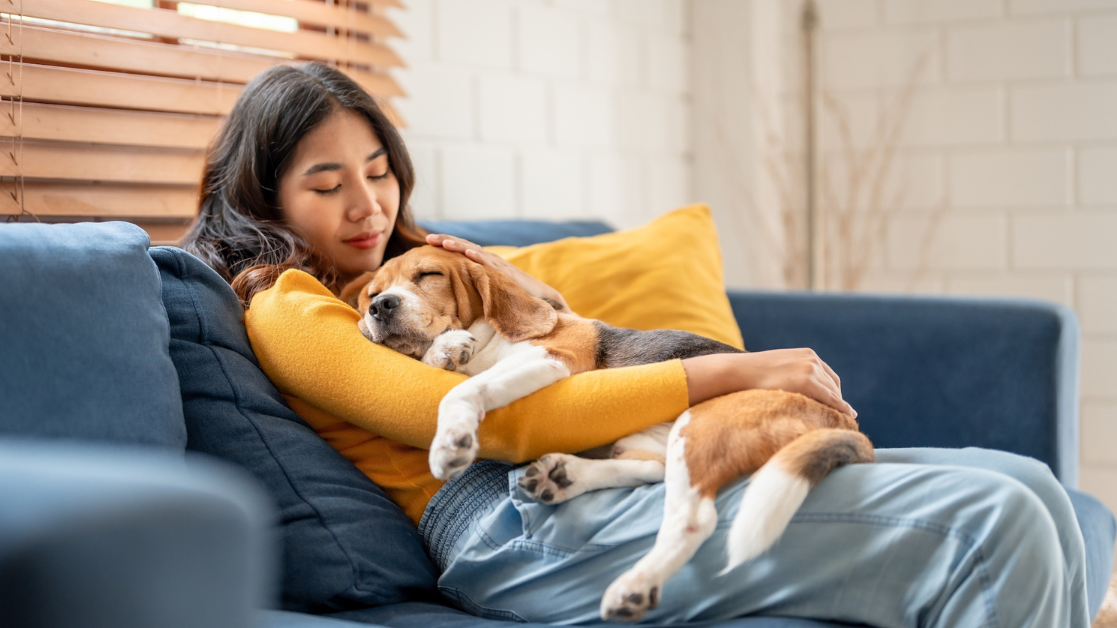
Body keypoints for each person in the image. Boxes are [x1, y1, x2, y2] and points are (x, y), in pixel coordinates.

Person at [181, 62, 1090, 627]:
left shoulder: (417, 273)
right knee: (995, 523)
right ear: (265, 200)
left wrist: (493, 276)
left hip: (590, 479)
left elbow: (553, 331)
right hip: (508, 526)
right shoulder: (291, 309)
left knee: (1030, 486)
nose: (368, 205)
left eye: (379, 174)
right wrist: (732, 369)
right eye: (327, 183)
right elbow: (493, 429)